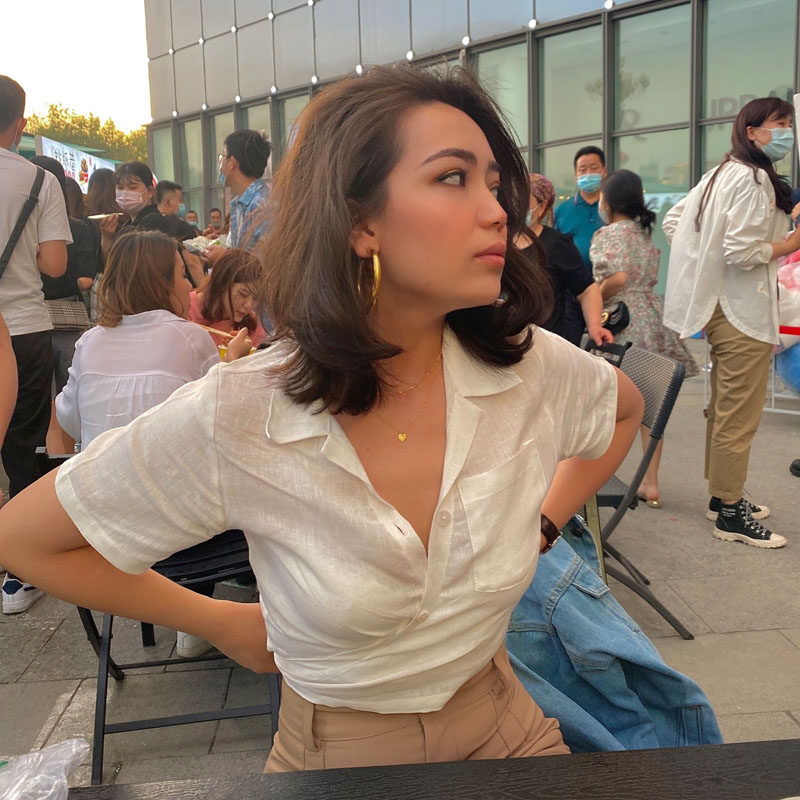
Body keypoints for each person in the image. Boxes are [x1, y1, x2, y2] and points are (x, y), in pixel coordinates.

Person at [0, 65, 642, 768]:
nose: (496, 211)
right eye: (453, 177)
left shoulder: (526, 366)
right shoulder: (244, 408)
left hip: (510, 726)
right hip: (336, 755)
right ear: (360, 222)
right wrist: (222, 621)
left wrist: (544, 522)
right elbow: (24, 539)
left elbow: (622, 413)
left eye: (494, 184)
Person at [54, 229, 244, 654]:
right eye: (180, 274)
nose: (189, 285)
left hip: (106, 533)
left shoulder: (89, 342)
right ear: (159, 281)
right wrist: (233, 368)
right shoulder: (190, 338)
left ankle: (187, 612)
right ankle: (198, 616)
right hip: (187, 534)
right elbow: (224, 423)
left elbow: (69, 418)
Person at [663, 97, 800, 547]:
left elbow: (675, 222)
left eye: (789, 123)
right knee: (738, 413)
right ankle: (730, 512)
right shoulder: (752, 178)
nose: (786, 132)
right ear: (752, 131)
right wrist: (789, 244)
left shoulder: (721, 172)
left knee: (726, 408)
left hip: (723, 309)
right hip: (742, 310)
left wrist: (706, 266)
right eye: (779, 123)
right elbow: (741, 251)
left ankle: (722, 496)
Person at [0, 75, 71, 614]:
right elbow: (54, 264)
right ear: (20, 124)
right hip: (23, 326)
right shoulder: (40, 180)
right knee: (22, 445)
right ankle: (19, 573)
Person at [591, 169, 699, 508]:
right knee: (651, 405)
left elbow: (618, 278)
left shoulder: (608, 233)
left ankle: (596, 475)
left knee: (613, 401)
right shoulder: (643, 234)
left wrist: (595, 296)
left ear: (609, 200)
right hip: (652, 318)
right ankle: (651, 482)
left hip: (624, 322)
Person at [515, 173, 611, 347]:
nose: (516, 206)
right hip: (504, 343)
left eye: (523, 201)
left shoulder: (557, 244)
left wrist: (595, 325)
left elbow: (587, 290)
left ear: (542, 207)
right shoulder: (498, 240)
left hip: (546, 344)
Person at [29, 159, 95, 396]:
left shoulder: (23, 229)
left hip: (29, 319)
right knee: (71, 391)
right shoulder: (78, 228)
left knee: (36, 394)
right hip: (70, 320)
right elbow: (85, 280)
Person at [188, 248, 267, 348]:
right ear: (221, 284)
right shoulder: (185, 309)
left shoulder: (251, 326)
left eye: (256, 298)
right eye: (243, 294)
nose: (248, 305)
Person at [213, 130, 271, 253]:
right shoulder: (239, 203)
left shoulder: (261, 204)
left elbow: (259, 260)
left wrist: (222, 257)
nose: (220, 163)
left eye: (222, 156)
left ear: (231, 163)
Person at [554, 146, 607, 274]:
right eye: (582, 170)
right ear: (576, 175)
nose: (588, 173)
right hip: (574, 282)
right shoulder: (562, 210)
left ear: (604, 171)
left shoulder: (614, 207)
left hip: (611, 282)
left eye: (594, 168)